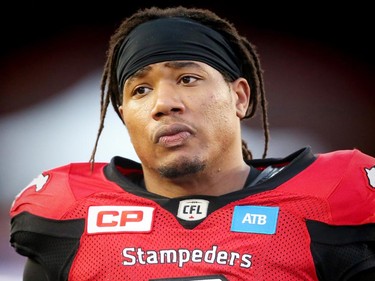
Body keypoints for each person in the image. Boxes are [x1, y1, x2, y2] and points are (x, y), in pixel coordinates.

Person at [9, 5, 375, 281]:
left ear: (240, 97)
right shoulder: (68, 218)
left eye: (187, 78)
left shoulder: (332, 200)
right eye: (140, 89)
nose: (163, 103)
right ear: (125, 116)